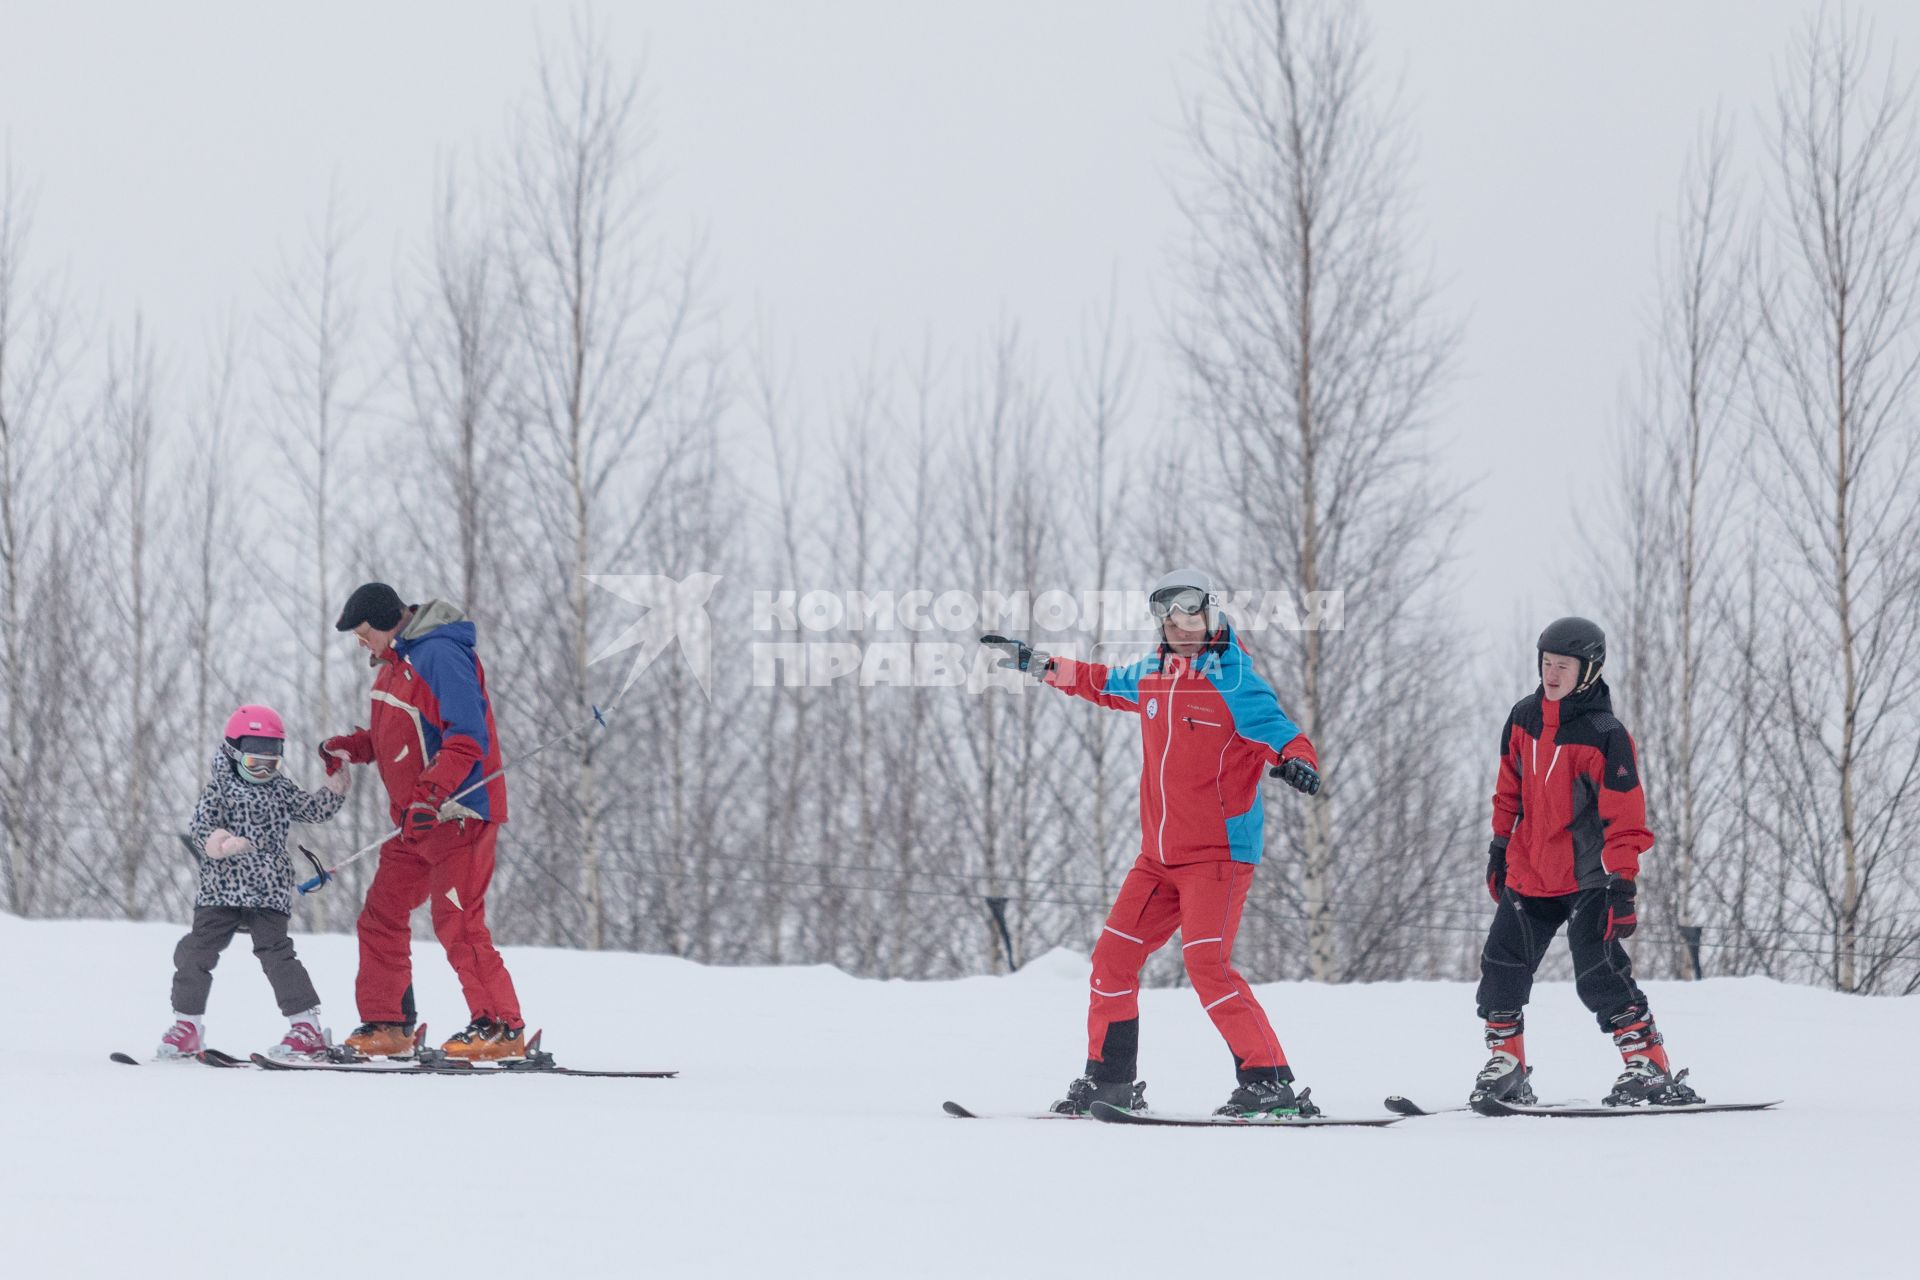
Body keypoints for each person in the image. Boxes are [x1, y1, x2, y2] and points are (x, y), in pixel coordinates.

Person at [984, 568, 1322, 1118]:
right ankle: (1109, 1082)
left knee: (1207, 965)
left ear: (1210, 613)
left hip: (1218, 856)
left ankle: (1269, 1081)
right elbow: (1099, 681)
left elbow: (1285, 736)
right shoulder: (1152, 675)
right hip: (1157, 860)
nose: (1179, 625)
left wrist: (1299, 764)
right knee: (1111, 961)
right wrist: (1038, 664)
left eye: (1189, 613)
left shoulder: (1236, 682)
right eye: (1167, 617)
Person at [1473, 616, 1699, 1107]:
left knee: (1599, 974)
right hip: (1531, 871)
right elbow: (1507, 790)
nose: (1552, 674)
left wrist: (1623, 883)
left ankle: (1650, 1066)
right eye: (1546, 663)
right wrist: (1498, 847)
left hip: (1590, 877)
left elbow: (1625, 815)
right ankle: (1508, 1065)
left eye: (1564, 666)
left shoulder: (1605, 734)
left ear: (1589, 670)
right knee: (1499, 968)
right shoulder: (1522, 717)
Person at [322, 582, 525, 1062]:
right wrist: (354, 747)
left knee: (456, 919)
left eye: (364, 632)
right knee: (381, 915)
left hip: (457, 812)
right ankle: (389, 1023)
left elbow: (466, 735)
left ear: (389, 618)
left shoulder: (439, 654)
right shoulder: (393, 669)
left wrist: (432, 795)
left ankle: (501, 1026)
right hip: (415, 821)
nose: (361, 643)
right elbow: (401, 735)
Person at [159, 705, 349, 1062]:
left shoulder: (279, 790)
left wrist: (335, 787)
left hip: (268, 891)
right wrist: (221, 843)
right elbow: (201, 829)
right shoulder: (219, 789)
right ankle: (186, 1025)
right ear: (233, 753)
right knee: (198, 951)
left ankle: (306, 1027)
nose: (263, 771)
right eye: (254, 763)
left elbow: (313, 810)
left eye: (271, 763)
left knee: (276, 953)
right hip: (221, 890)